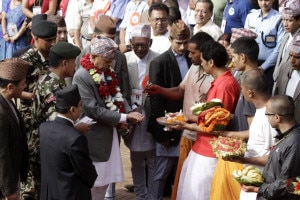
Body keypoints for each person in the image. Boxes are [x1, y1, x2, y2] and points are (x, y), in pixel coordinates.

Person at [145, 31, 215, 200]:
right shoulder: (194, 66)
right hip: (187, 134)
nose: (187, 54)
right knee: (182, 180)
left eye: (192, 52)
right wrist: (159, 90)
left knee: (197, 184)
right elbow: (179, 91)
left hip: (201, 137)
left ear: (204, 53)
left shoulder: (215, 77)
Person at [73, 36, 144, 199]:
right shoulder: (82, 76)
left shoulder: (108, 72)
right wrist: (126, 117)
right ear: (93, 57)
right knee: (93, 183)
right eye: (106, 60)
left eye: (111, 61)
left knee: (104, 182)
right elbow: (92, 109)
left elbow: (118, 97)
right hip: (94, 137)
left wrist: (130, 111)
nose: (110, 65)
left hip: (109, 134)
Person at [173, 40, 240, 200]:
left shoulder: (225, 86)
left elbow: (217, 126)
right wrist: (187, 117)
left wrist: (186, 125)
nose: (201, 65)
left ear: (211, 62)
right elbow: (209, 117)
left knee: (199, 194)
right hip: (202, 146)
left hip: (210, 151)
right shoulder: (221, 82)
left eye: (202, 61)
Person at [147, 19, 191, 200]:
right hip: (168, 126)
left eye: (185, 42)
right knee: (161, 172)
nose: (182, 47)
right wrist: (163, 131)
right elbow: (155, 99)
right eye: (178, 43)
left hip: (187, 124)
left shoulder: (193, 58)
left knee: (182, 171)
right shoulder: (159, 62)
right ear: (170, 40)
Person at [222, 69, 277, 200]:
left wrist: (242, 159)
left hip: (261, 186)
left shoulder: (268, 118)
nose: (241, 92)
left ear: (250, 93)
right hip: (251, 181)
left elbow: (273, 158)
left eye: (242, 89)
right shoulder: (261, 111)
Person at [39, 85, 98, 200]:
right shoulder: (75, 138)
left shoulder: (43, 128)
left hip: (48, 194)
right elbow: (88, 173)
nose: (82, 109)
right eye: (80, 105)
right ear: (72, 109)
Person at [242, 95, 300, 200]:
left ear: (277, 117)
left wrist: (258, 189)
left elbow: (288, 184)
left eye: (267, 114)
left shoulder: (295, 142)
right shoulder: (285, 135)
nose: (266, 117)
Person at [124, 23, 158, 200]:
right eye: (136, 44)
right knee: (136, 156)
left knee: (152, 157)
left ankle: (152, 194)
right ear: (130, 42)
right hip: (132, 112)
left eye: (143, 45)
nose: (139, 48)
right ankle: (140, 194)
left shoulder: (157, 59)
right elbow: (122, 89)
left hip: (150, 113)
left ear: (150, 43)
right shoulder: (125, 59)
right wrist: (130, 110)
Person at [0, 58, 29, 200]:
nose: (24, 87)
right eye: (23, 84)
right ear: (10, 87)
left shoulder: (7, 102)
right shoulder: (1, 114)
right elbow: (2, 155)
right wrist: (9, 190)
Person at [244, 0, 284, 92]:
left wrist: (263, 67)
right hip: (251, 65)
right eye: (261, 0)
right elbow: (245, 41)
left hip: (269, 67)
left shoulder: (278, 18)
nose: (263, 3)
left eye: (266, 0)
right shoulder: (251, 16)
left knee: (265, 95)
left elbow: (279, 48)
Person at [273, 33, 300, 123]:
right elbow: (277, 93)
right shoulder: (285, 67)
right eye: (290, 55)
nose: (292, 60)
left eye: (297, 57)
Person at [273, 0, 300, 85]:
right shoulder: (286, 36)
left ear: (299, 20)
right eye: (283, 20)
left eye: (289, 20)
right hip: (278, 80)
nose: (285, 24)